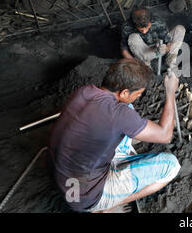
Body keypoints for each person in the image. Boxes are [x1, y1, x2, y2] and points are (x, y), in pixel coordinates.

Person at [48, 58, 180, 212]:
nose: (138, 97)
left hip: (61, 176)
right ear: (124, 92)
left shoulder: (85, 91)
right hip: (83, 197)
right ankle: (107, 206)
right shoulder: (119, 114)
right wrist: (170, 93)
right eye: (138, 94)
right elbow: (166, 136)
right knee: (171, 166)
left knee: (128, 108)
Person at [121, 7, 185, 70]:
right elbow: (124, 51)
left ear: (150, 21)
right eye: (141, 30)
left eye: (147, 28)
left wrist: (166, 49)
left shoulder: (158, 22)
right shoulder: (127, 27)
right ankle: (147, 69)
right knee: (133, 37)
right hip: (144, 54)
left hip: (160, 49)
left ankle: (170, 61)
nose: (144, 31)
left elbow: (168, 41)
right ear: (134, 23)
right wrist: (136, 64)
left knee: (180, 29)